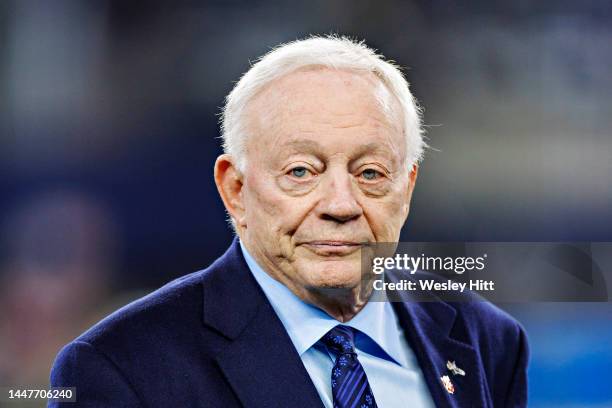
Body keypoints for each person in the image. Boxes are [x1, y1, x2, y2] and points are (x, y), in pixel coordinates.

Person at [49, 36, 528, 408]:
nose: (340, 204)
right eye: (301, 171)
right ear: (235, 189)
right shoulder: (123, 367)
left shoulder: (486, 340)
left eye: (370, 174)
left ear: (407, 188)